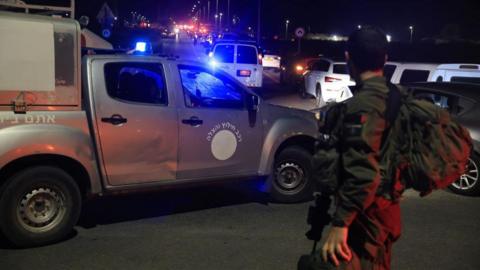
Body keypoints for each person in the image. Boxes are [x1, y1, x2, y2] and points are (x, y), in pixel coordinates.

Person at [320, 26, 402, 270]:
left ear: (348, 58)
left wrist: (340, 224)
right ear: (385, 59)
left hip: (366, 217)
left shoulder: (362, 107)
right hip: (386, 211)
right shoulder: (395, 95)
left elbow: (363, 170)